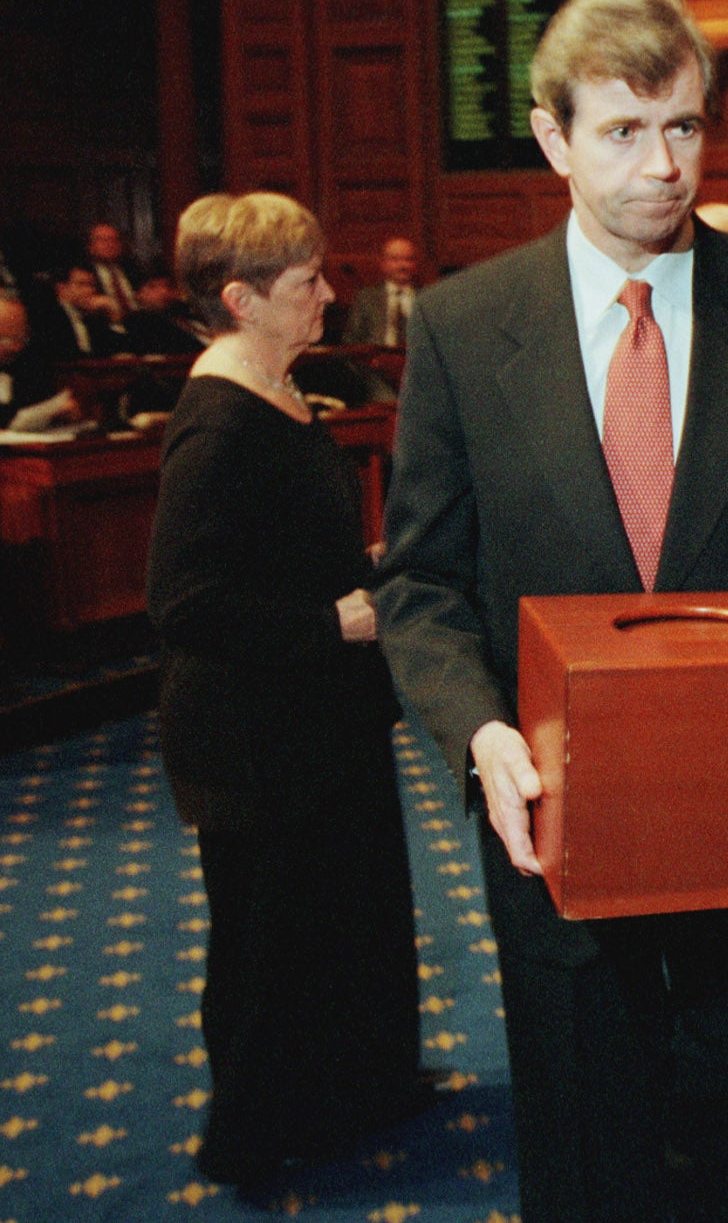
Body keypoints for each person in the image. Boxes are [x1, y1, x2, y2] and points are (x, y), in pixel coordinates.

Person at [374, 0, 728, 1223]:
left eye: (683, 128)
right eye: (621, 131)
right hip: (551, 812)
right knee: (580, 1138)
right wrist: (481, 736)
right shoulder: (461, 327)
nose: (661, 167)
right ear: (552, 137)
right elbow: (423, 584)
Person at [144, 190, 425, 1189]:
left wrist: (363, 564)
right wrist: (334, 621)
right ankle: (255, 1139)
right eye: (306, 282)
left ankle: (350, 1091)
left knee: (340, 915)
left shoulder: (278, 389)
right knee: (268, 944)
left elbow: (270, 550)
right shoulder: (218, 422)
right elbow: (184, 603)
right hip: (254, 736)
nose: (326, 296)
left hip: (315, 715)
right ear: (240, 299)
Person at [0, 290, 80, 431]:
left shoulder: (29, 365)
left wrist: (59, 415)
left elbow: (41, 405)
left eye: (21, 339)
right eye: (5, 340)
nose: (15, 347)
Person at [344, 235, 421, 347]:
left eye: (408, 259)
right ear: (383, 263)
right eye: (395, 259)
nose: (402, 265)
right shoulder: (366, 298)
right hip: (374, 360)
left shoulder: (426, 298)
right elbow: (351, 340)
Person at [87, 221, 139, 325]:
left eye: (114, 240)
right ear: (91, 247)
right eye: (103, 240)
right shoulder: (86, 274)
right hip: (108, 327)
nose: (110, 244)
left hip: (139, 323)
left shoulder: (131, 269)